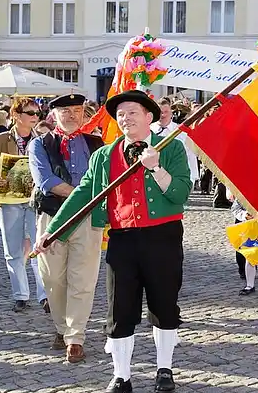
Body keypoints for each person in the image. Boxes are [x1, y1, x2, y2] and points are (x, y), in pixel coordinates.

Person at [34, 90, 191, 393]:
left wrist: (156, 167)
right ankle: (122, 375)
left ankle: (164, 369)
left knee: (164, 305)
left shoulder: (171, 149)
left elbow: (180, 194)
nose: (125, 118)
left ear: (149, 117)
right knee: (119, 310)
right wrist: (53, 231)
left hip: (163, 237)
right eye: (120, 114)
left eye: (132, 112)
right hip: (121, 238)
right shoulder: (104, 155)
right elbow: (82, 196)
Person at [28, 93, 105, 363]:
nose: (72, 115)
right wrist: (81, 197)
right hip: (52, 217)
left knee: (83, 279)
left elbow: (106, 180)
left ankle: (75, 337)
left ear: (84, 113)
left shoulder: (97, 144)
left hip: (88, 220)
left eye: (77, 110)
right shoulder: (40, 144)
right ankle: (61, 327)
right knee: (53, 278)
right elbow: (46, 180)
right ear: (54, 115)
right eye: (66, 111)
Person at [0, 98, 46, 312]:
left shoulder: (43, 140)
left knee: (40, 247)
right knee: (13, 249)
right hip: (8, 199)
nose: (35, 117)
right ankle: (21, 295)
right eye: (30, 113)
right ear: (16, 115)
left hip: (34, 200)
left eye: (38, 113)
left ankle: (44, 295)